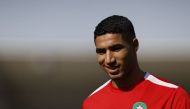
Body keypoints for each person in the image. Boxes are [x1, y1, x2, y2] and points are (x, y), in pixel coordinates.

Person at [82, 15, 189, 109]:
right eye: (101, 52)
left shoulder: (173, 97)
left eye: (116, 49)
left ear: (135, 45)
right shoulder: (91, 103)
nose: (109, 59)